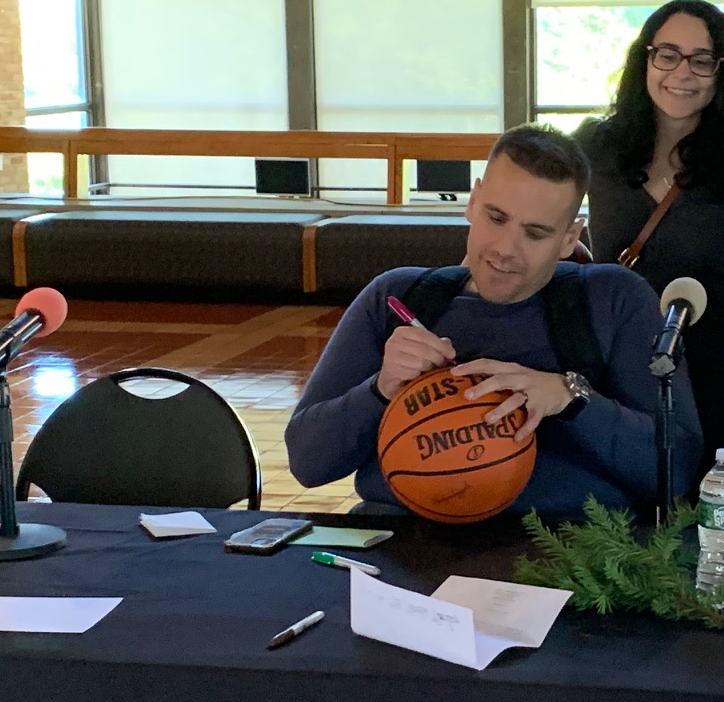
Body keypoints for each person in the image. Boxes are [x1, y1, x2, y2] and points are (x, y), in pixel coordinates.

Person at [286, 126, 699, 518]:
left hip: (572, 549)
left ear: (571, 237)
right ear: (472, 201)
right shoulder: (398, 299)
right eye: (496, 218)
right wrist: (379, 389)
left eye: (535, 233)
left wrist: (571, 399)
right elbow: (308, 463)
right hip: (406, 539)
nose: (505, 249)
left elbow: (676, 469)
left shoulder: (613, 299)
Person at [577, 1, 724, 479]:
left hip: (709, 361)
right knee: (616, 508)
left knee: (709, 507)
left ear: (721, 72)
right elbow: (543, 223)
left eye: (701, 59)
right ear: (645, 60)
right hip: (612, 355)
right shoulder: (597, 145)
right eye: (667, 54)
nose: (682, 73)